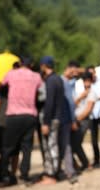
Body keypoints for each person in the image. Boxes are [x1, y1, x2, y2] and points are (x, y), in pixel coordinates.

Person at [0, 57, 42, 186]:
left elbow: (1, 85)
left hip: (13, 115)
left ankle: (5, 176)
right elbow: (41, 92)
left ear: (20, 63)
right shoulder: (36, 76)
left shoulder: (11, 74)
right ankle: (24, 175)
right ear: (31, 64)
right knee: (27, 148)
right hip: (30, 115)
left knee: (7, 148)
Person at [39, 55, 64, 185]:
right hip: (58, 117)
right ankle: (55, 171)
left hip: (51, 118)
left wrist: (46, 122)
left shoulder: (50, 80)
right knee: (53, 145)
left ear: (44, 66)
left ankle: (52, 174)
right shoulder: (58, 78)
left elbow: (50, 102)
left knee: (51, 146)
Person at [59, 61, 80, 183]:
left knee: (64, 146)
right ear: (68, 69)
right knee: (66, 146)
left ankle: (67, 170)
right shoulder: (64, 82)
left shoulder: (65, 82)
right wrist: (73, 120)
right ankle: (70, 171)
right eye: (73, 71)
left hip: (62, 119)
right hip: (65, 119)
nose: (74, 74)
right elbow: (71, 103)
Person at [72, 72, 97, 172]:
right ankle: (84, 164)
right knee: (76, 144)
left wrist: (77, 120)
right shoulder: (81, 93)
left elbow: (88, 110)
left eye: (88, 81)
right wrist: (81, 97)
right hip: (78, 119)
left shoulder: (92, 93)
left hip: (84, 120)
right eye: (85, 81)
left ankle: (85, 164)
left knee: (76, 143)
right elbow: (74, 105)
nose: (86, 83)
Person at [87, 65, 100, 168]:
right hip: (92, 115)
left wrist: (98, 98)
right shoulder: (86, 84)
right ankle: (97, 159)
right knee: (94, 139)